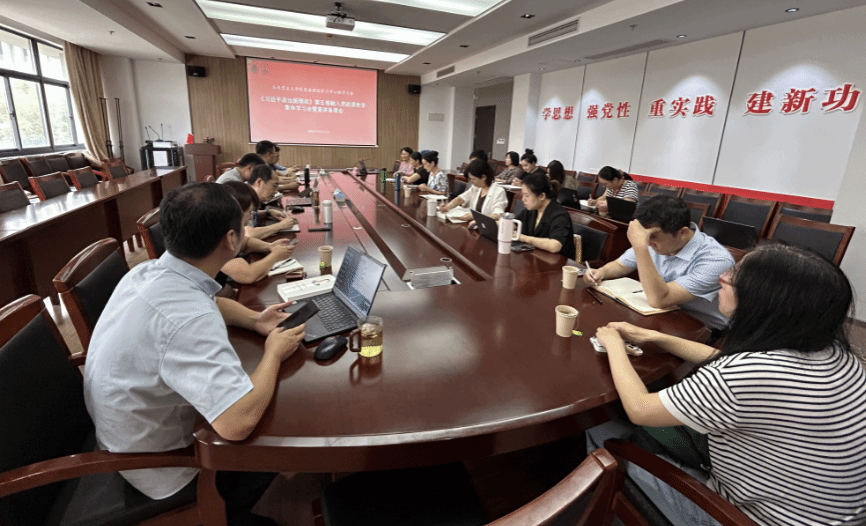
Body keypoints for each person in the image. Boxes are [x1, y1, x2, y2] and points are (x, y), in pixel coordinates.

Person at [589, 243, 866, 526]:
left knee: (600, 431)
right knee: (662, 429)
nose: (723, 276)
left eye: (735, 275)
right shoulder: (838, 354)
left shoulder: (741, 375)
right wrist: (658, 338)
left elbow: (640, 408)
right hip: (828, 512)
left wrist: (613, 345)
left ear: (763, 302)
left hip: (747, 518)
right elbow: (730, 365)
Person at [84, 183, 306, 526]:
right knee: (277, 433)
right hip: (158, 467)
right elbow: (236, 424)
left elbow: (209, 301)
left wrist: (255, 320)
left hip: (122, 432)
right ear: (231, 239)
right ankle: (226, 516)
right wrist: (273, 355)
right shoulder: (190, 317)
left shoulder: (148, 271)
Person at [584, 195, 733, 331]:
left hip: (700, 330)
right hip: (660, 316)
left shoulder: (716, 260)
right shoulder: (659, 240)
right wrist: (601, 272)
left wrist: (640, 246)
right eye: (644, 236)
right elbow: (621, 265)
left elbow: (661, 299)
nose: (648, 243)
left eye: (653, 237)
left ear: (682, 233)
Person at [220, 181, 295, 284]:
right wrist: (275, 256)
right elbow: (248, 275)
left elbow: (245, 242)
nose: (251, 217)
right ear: (237, 212)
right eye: (249, 212)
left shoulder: (225, 226)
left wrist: (269, 246)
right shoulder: (216, 237)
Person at [513, 172, 575, 258]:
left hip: (557, 262)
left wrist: (524, 238)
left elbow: (555, 246)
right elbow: (514, 224)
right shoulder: (532, 210)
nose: (523, 199)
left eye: (526, 196)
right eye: (522, 195)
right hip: (535, 257)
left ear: (542, 196)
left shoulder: (560, 215)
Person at [439, 159, 508, 222]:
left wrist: (476, 217)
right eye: (470, 179)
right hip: (473, 224)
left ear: (483, 177)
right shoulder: (476, 187)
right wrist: (447, 207)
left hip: (485, 227)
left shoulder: (498, 192)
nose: (472, 182)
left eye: (473, 179)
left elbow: (498, 216)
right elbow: (462, 198)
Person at [246, 165, 296, 239]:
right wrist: (280, 226)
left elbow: (251, 216)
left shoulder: (250, 194)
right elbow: (248, 235)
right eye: (274, 186)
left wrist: (268, 213)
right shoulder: (243, 199)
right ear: (259, 182)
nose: (276, 191)